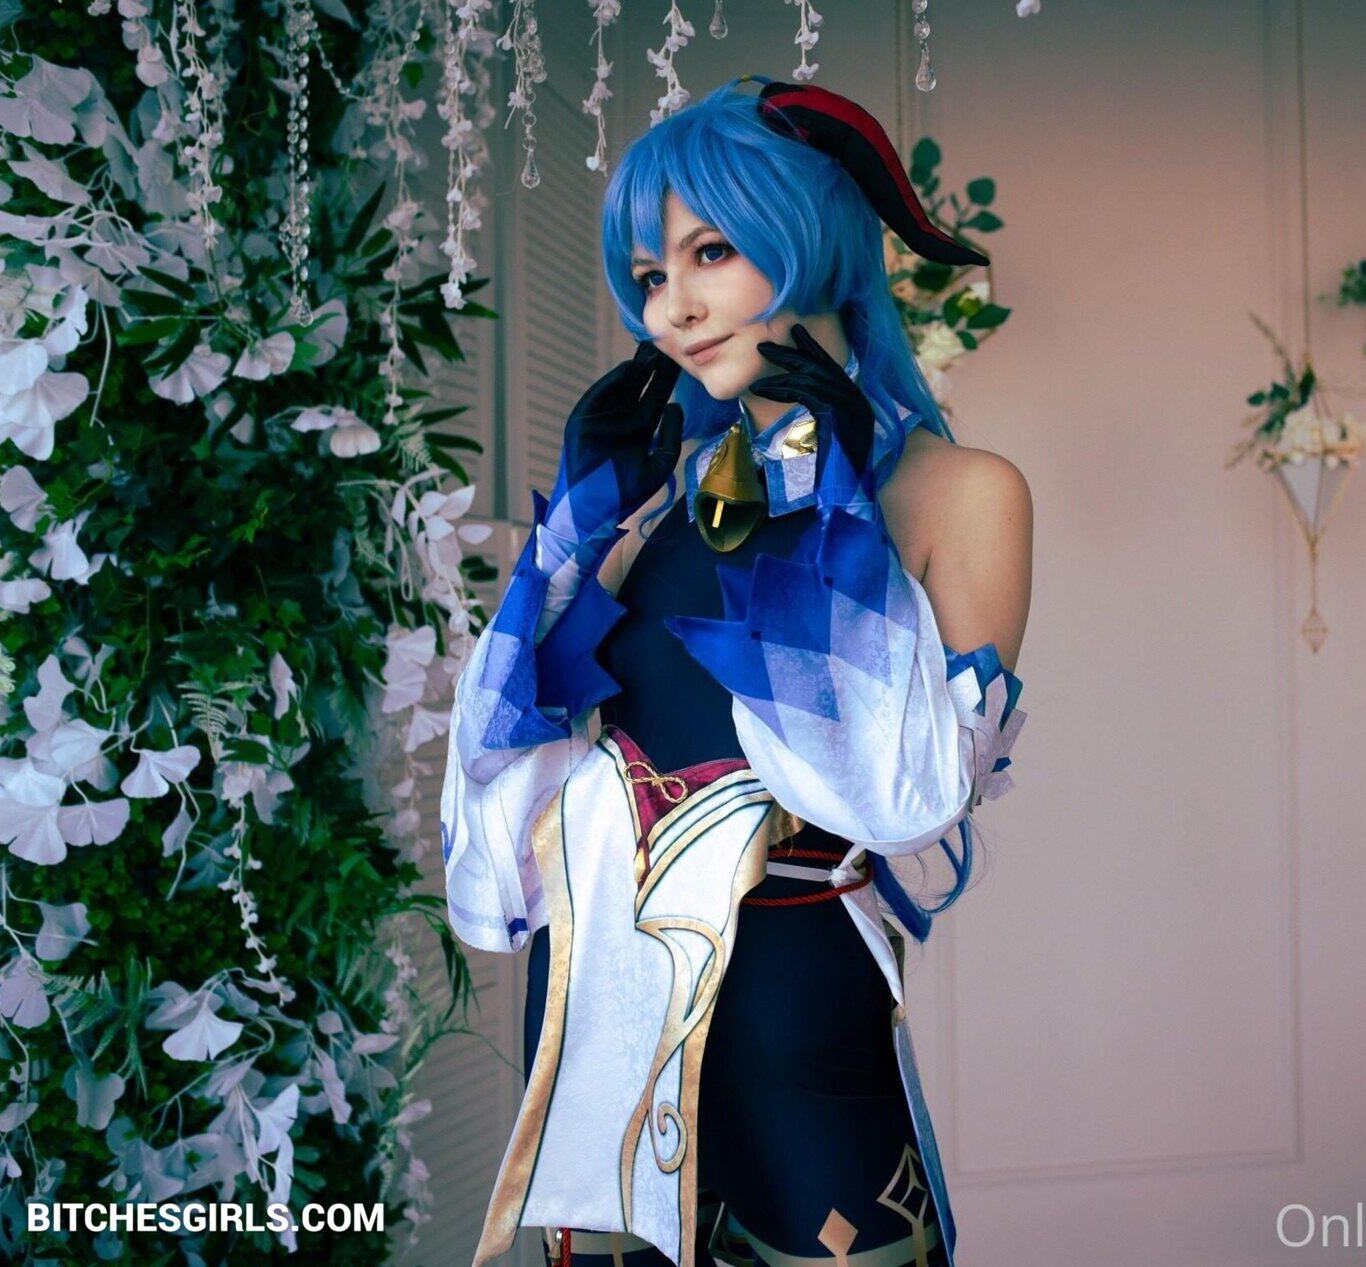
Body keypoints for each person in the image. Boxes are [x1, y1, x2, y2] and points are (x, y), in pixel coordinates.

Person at [438, 77, 1032, 1267]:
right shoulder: (653, 509)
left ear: (809, 236)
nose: (672, 307)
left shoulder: (961, 494)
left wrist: (826, 515)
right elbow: (500, 817)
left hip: (793, 1014)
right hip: (596, 1020)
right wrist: (570, 541)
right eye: (650, 275)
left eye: (708, 253)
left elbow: (899, 797)